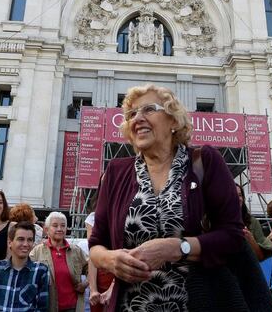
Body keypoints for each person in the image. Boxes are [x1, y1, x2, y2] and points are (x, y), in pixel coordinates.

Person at [89, 84, 244, 312]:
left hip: (198, 302)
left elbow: (233, 236)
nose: (138, 119)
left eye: (149, 109)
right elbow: (96, 244)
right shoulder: (115, 171)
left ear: (173, 121)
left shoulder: (205, 161)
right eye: (132, 114)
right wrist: (110, 260)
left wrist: (178, 247)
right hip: (130, 306)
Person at [0, 221, 49, 311]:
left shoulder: (40, 271)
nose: (26, 244)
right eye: (21, 239)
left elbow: (42, 309)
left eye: (30, 240)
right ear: (10, 242)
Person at [30, 211, 88, 312]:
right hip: (46, 307)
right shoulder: (37, 251)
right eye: (55, 225)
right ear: (47, 229)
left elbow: (92, 266)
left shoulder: (76, 250)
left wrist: (86, 283)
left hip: (73, 307)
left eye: (63, 226)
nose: (59, 229)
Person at [85, 197, 114, 312]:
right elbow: (92, 255)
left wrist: (113, 287)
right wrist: (93, 289)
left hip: (122, 273)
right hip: (102, 274)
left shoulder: (128, 212)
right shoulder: (93, 218)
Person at [235, 183, 272, 261]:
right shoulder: (212, 220)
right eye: (233, 194)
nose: (238, 198)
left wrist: (251, 240)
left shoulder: (252, 222)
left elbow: (260, 257)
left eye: (240, 195)